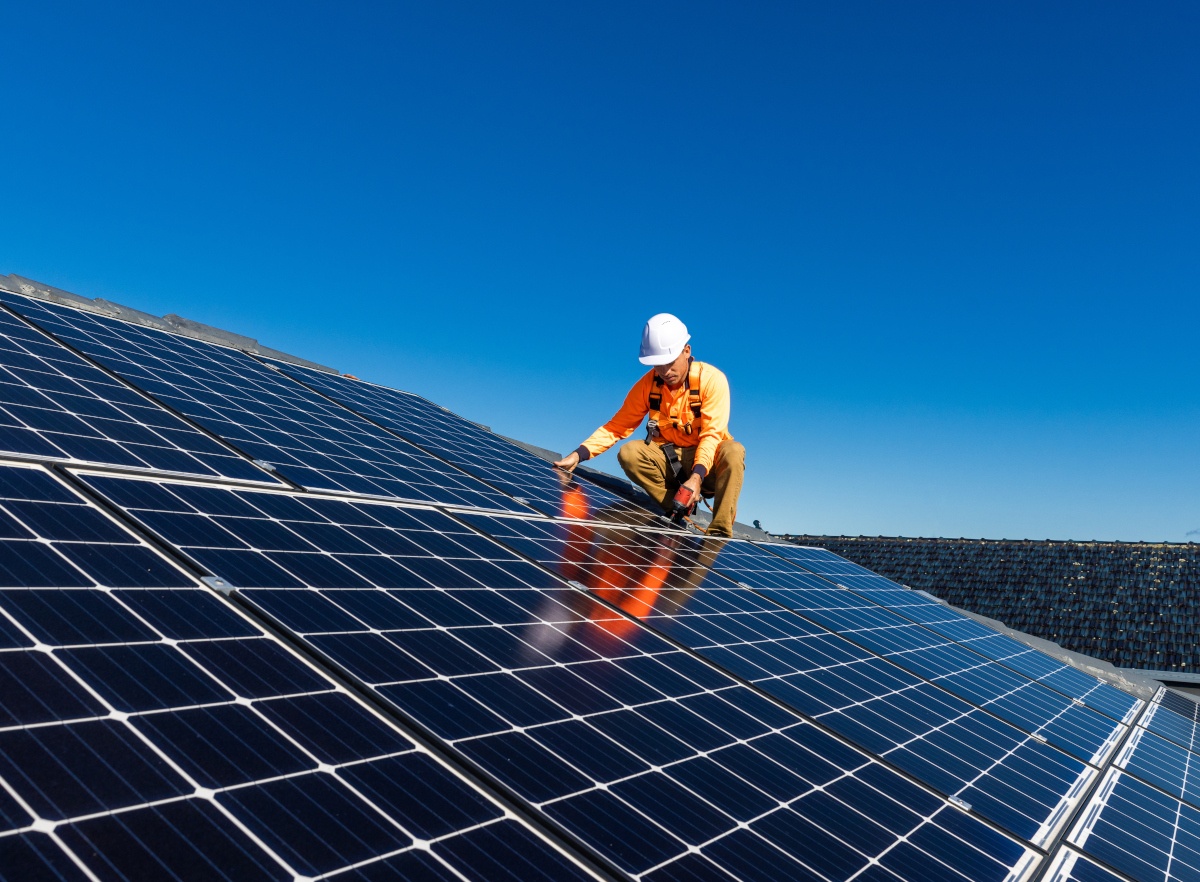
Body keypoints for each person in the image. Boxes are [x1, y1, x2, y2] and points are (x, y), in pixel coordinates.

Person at [553, 313, 745, 537]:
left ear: (687, 351)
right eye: (658, 365)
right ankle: (677, 509)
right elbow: (617, 426)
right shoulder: (648, 385)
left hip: (707, 466)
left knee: (733, 451)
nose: (665, 372)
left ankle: (719, 533)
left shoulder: (712, 380)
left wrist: (696, 477)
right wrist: (578, 455)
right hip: (669, 460)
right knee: (630, 453)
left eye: (670, 363)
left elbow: (712, 435)